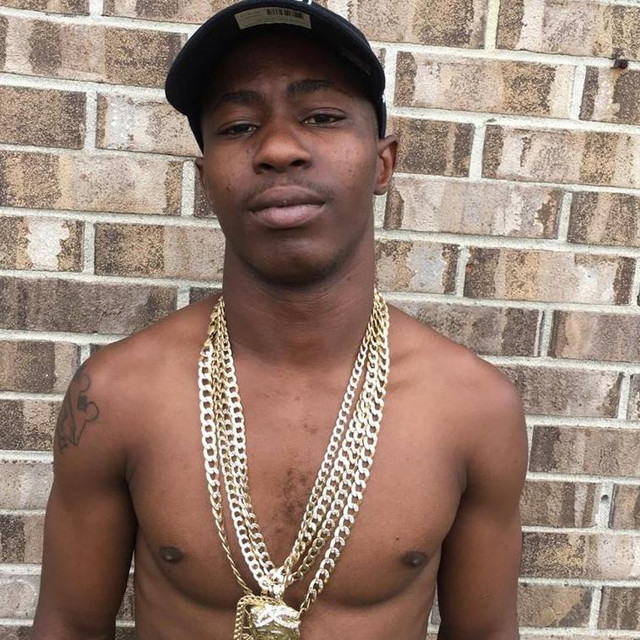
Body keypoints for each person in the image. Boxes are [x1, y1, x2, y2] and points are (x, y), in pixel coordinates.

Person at [32, 0, 528, 638]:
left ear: (382, 162)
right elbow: (69, 625)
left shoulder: (475, 408)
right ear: (206, 179)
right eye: (239, 126)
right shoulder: (117, 394)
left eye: (321, 117)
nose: (278, 148)